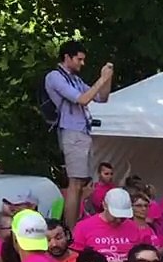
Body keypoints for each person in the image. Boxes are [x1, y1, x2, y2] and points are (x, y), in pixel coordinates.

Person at [45, 40, 113, 227]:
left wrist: (107, 78)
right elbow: (83, 99)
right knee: (75, 184)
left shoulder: (75, 79)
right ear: (67, 57)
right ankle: (71, 229)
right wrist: (101, 79)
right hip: (71, 132)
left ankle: (75, 225)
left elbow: (101, 97)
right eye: (79, 59)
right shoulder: (54, 77)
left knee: (82, 183)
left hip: (83, 132)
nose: (82, 64)